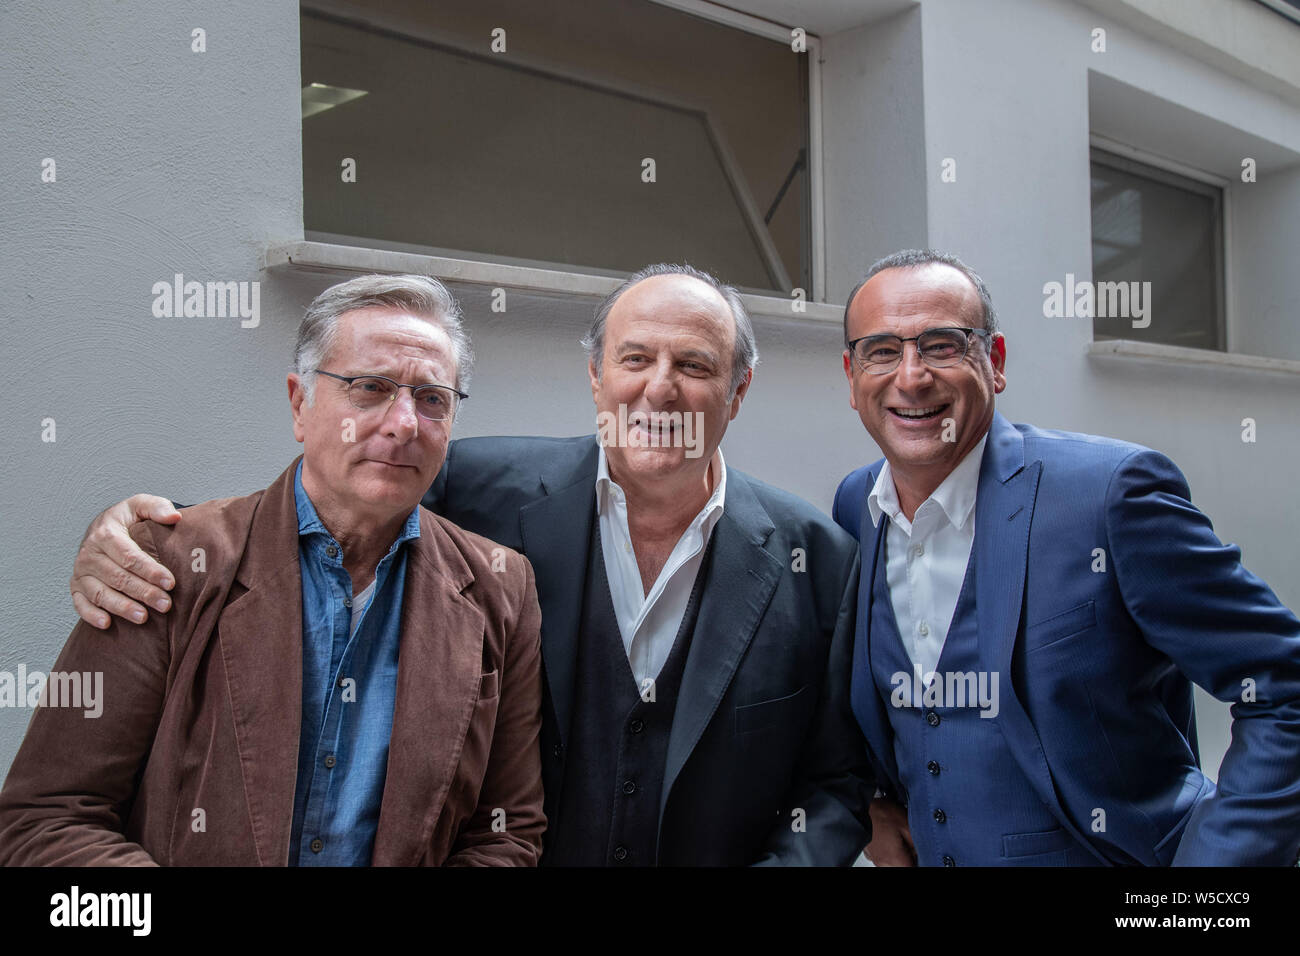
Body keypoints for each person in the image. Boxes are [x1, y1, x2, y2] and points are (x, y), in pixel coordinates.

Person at [65, 263, 874, 866]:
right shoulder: (474, 487)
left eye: (694, 366)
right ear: (596, 376)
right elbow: (331, 493)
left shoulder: (819, 556)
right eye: (634, 360)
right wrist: (140, 529)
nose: (659, 391)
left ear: (738, 390)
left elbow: (834, 785)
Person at [0, 274, 545, 866]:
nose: (404, 422)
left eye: (433, 398)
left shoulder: (500, 587)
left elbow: (506, 833)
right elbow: (47, 820)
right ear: (299, 403)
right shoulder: (168, 562)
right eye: (370, 387)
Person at [833, 248, 1300, 867]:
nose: (912, 376)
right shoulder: (854, 507)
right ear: (852, 375)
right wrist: (872, 804)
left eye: (943, 345)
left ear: (994, 362)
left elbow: (1283, 690)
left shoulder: (1109, 495)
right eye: (883, 351)